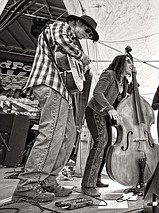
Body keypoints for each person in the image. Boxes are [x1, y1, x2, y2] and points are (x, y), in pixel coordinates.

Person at [12, 15, 99, 202]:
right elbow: (62, 40)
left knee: (69, 136)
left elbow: (74, 74)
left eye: (89, 34)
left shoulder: (73, 42)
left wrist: (80, 69)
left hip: (63, 91)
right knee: (51, 135)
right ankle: (27, 186)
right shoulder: (61, 27)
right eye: (87, 31)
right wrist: (81, 56)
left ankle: (49, 180)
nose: (87, 36)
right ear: (76, 23)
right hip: (51, 84)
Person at [81, 54, 133, 197]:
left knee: (107, 144)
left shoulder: (125, 83)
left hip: (105, 116)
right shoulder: (109, 75)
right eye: (129, 62)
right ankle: (87, 184)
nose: (131, 64)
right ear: (120, 63)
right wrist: (109, 108)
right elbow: (97, 92)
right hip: (95, 110)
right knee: (100, 143)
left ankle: (96, 178)